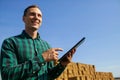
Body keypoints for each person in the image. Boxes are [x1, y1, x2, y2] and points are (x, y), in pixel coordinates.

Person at [0, 5, 76, 80]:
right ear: (23, 18)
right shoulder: (10, 42)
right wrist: (42, 58)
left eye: (39, 15)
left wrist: (62, 65)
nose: (36, 17)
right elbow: (7, 75)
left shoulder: (47, 46)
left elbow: (49, 75)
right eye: (32, 14)